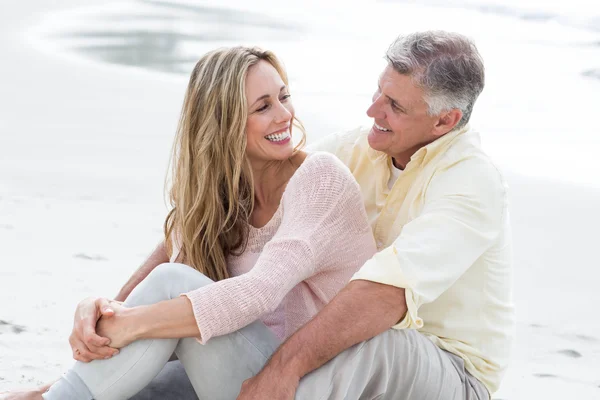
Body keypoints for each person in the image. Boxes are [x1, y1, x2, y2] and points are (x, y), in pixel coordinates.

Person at [0, 46, 377, 400]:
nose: (284, 115)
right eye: (263, 107)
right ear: (223, 121)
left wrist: (130, 323)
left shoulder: (320, 179)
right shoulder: (219, 196)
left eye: (284, 96)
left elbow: (260, 291)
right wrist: (97, 309)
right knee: (128, 385)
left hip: (306, 382)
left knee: (171, 285)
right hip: (239, 371)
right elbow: (136, 307)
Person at [236, 30, 514, 399]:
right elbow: (241, 203)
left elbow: (384, 295)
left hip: (451, 375)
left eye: (395, 106)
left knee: (376, 341)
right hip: (348, 349)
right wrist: (132, 304)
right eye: (378, 93)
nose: (373, 111)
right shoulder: (354, 149)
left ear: (445, 122)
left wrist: (283, 367)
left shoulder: (472, 181)